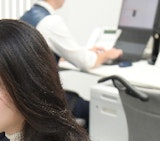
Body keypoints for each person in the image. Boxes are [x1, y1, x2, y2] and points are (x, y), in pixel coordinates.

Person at [20, 0, 123, 130]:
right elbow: (86, 62)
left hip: (27, 98)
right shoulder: (50, 22)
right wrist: (109, 54)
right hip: (43, 102)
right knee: (91, 109)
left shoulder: (27, 18)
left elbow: (36, 56)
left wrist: (86, 52)